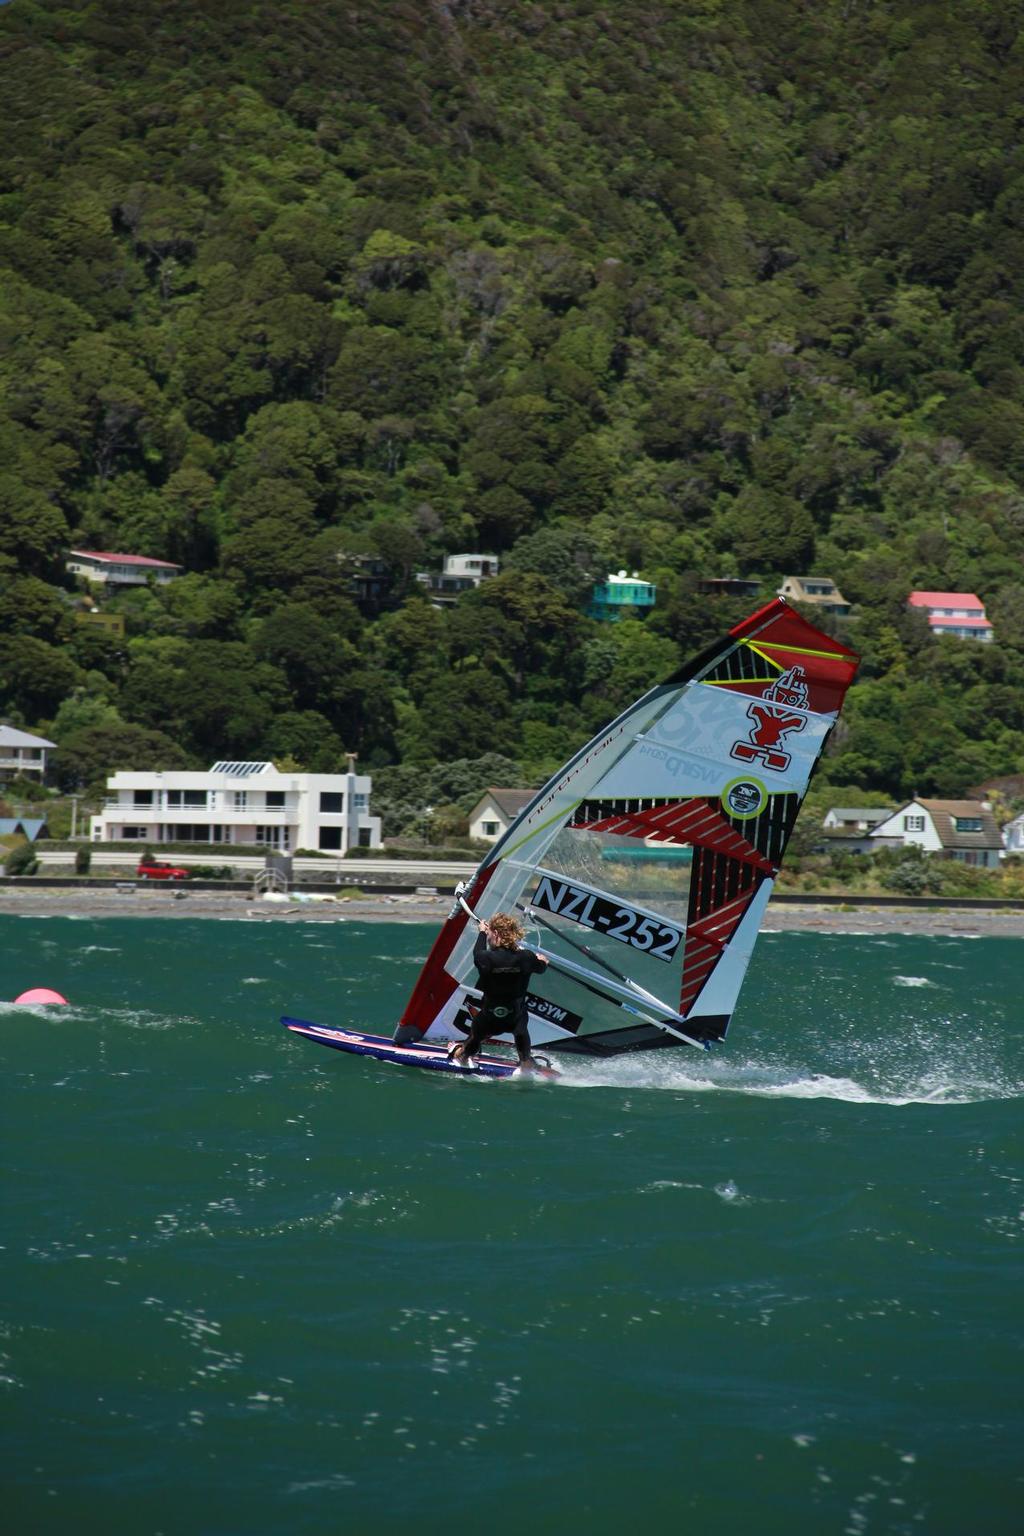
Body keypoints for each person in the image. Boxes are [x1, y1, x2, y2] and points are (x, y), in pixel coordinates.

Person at [449, 912, 548, 1070]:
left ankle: (463, 1054)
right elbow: (541, 968)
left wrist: (481, 931)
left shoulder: (484, 958)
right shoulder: (526, 957)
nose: (488, 937)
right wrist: (542, 961)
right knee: (521, 1027)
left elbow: (477, 952)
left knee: (476, 1035)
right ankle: (525, 1062)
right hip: (515, 1018)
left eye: (489, 934)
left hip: (490, 1017)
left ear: (495, 933)